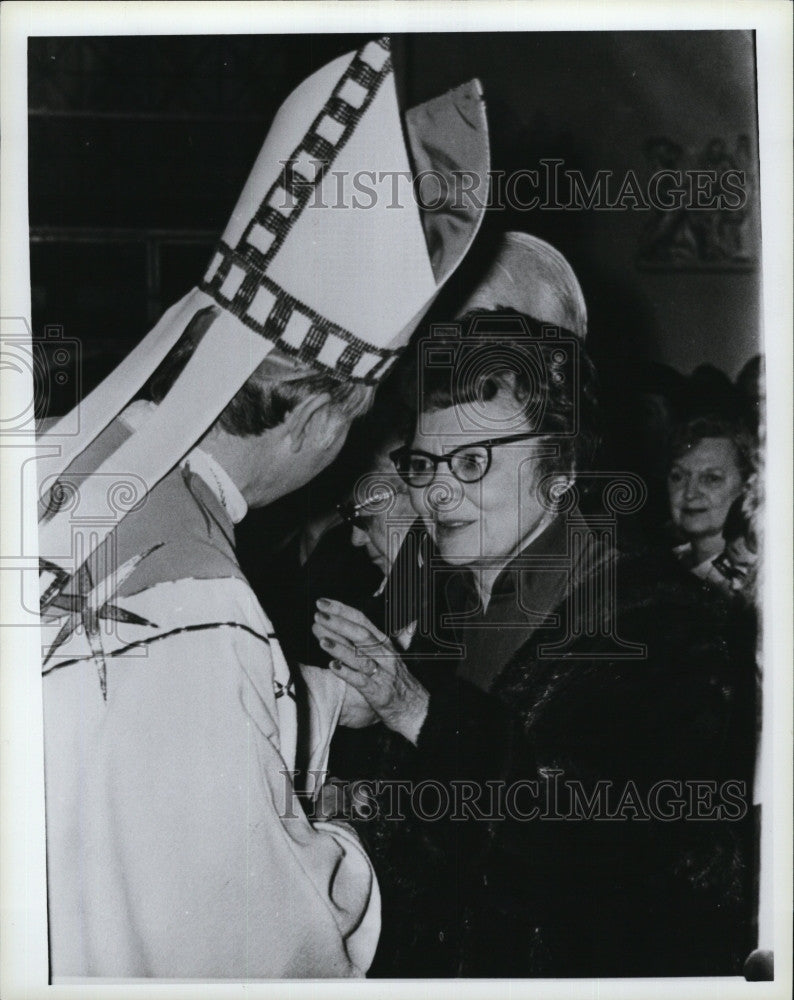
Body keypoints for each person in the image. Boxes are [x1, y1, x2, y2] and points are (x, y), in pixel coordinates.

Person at [37, 38, 490, 979]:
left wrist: (321, 707)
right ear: (321, 412)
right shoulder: (205, 610)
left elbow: (123, 743)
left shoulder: (58, 459)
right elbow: (241, 941)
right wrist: (355, 864)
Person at [313, 310, 757, 976]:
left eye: (471, 462)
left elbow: (614, 858)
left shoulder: (667, 624)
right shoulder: (449, 604)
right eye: (423, 462)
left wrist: (422, 716)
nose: (437, 491)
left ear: (561, 465)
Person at [667, 415, 756, 586]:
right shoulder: (658, 564)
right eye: (678, 477)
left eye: (712, 478)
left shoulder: (754, 583)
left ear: (747, 487)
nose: (690, 493)